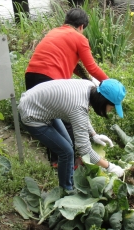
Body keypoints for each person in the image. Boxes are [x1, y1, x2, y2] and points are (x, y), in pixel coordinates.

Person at [25, 8, 109, 166]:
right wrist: (110, 84)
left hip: (31, 76)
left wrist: (88, 79)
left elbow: (75, 65)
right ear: (82, 27)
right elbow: (92, 67)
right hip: (50, 79)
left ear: (66, 21)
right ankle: (75, 162)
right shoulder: (78, 37)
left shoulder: (55, 32)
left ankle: (56, 161)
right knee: (67, 118)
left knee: (48, 120)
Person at [18, 78, 125, 191]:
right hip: (31, 114)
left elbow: (81, 114)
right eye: (112, 107)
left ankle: (69, 180)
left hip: (39, 104)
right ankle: (66, 190)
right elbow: (84, 149)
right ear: (103, 101)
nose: (110, 110)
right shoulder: (78, 107)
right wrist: (109, 167)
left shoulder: (89, 86)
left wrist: (93, 134)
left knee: (68, 145)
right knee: (66, 152)